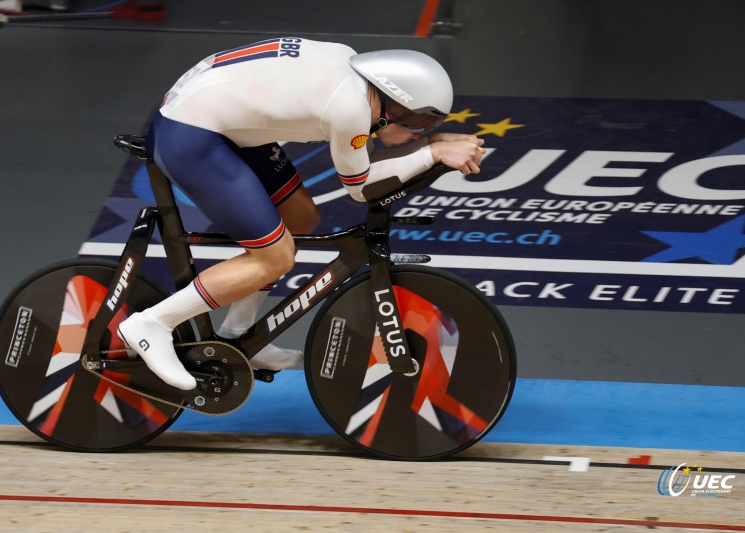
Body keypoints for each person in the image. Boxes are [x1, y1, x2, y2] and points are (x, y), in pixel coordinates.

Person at [117, 38, 485, 390]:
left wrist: (432, 143)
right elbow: (362, 189)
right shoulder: (349, 109)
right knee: (274, 257)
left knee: (301, 219)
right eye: (419, 123)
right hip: (191, 135)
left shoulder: (353, 70)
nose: (419, 132)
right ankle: (152, 324)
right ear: (393, 107)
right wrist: (432, 154)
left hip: (217, 119)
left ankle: (238, 332)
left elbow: (380, 146)